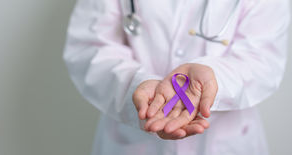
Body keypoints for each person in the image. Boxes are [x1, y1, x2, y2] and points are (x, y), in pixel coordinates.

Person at [63, 0, 290, 154]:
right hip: (133, 138)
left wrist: (214, 77)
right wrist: (136, 83)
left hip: (226, 142)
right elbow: (89, 47)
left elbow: (263, 60)